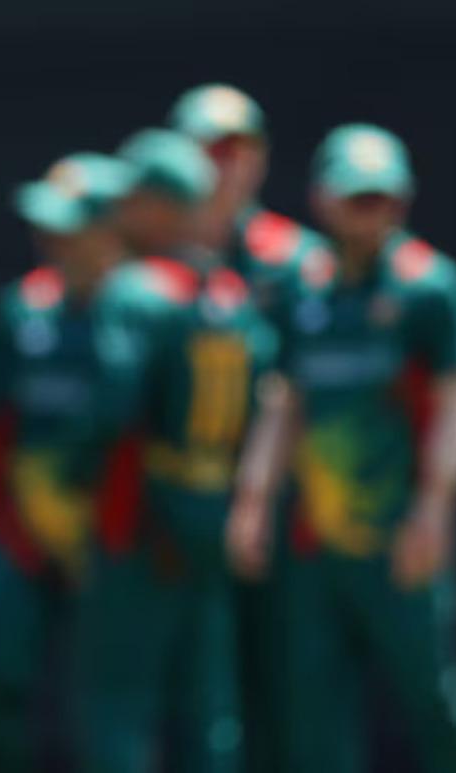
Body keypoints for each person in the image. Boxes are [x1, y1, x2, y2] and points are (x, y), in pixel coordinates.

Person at [226, 125, 456, 773]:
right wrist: (253, 500)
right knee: (313, 710)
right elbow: (284, 401)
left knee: (434, 698)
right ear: (323, 198)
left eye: (383, 198)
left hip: (399, 536)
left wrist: (433, 507)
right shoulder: (305, 287)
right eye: (357, 197)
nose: (371, 212)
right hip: (316, 544)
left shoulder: (428, 287)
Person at [83, 129, 270, 773]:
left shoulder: (134, 291)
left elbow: (111, 411)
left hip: (148, 518)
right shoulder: (231, 294)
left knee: (120, 700)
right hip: (215, 509)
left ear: (164, 206)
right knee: (208, 704)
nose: (121, 210)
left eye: (133, 196)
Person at [167, 84, 327, 771]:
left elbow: (292, 386)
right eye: (207, 150)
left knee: (287, 678)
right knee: (197, 690)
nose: (222, 167)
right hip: (181, 505)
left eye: (236, 150)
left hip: (286, 512)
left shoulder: (293, 258)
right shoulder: (157, 260)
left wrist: (258, 498)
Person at [0, 151, 134, 771]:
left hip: (118, 537)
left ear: (115, 228)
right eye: (48, 223)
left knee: (110, 701)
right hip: (24, 533)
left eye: (71, 224)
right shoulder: (23, 308)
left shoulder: (149, 312)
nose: (52, 238)